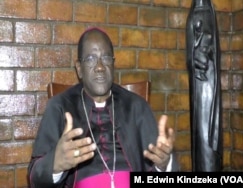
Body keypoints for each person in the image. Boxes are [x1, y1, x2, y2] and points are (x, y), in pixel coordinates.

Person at [28, 27, 179, 188]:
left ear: (113, 64)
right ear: (79, 68)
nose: (100, 67)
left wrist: (164, 166)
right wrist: (55, 165)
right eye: (91, 59)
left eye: (106, 58)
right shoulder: (59, 106)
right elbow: (34, 178)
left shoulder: (136, 106)